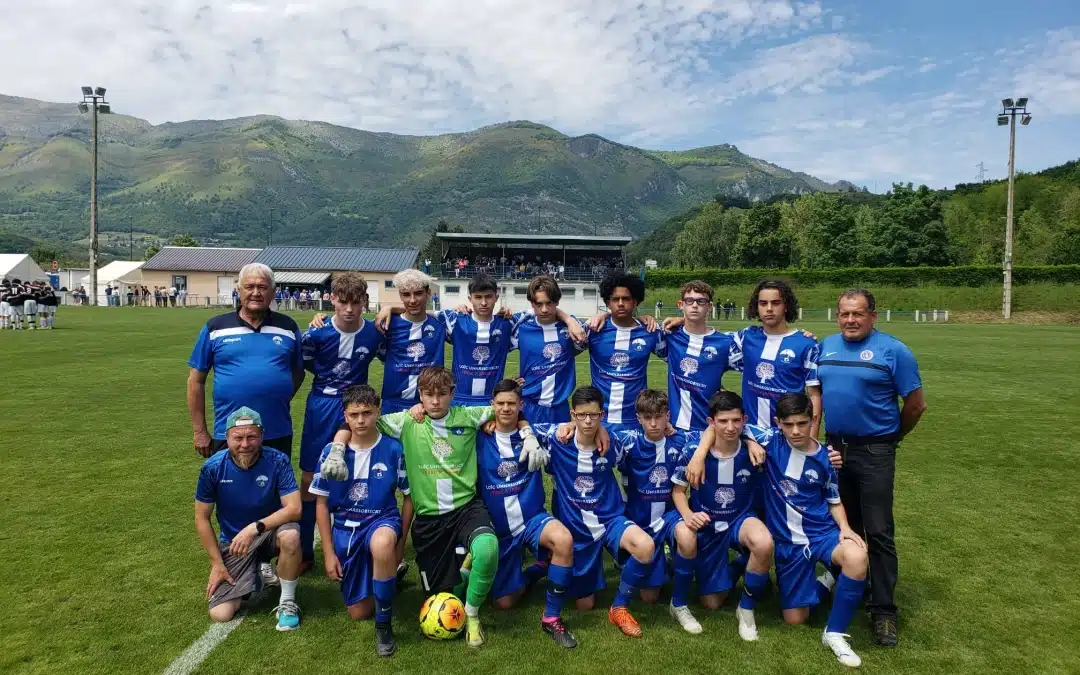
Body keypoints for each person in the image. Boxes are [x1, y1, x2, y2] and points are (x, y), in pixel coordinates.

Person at [323, 366, 547, 648]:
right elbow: (359, 419)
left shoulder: (467, 416)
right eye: (428, 395)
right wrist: (338, 448)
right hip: (429, 521)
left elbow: (507, 411)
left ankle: (473, 614)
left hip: (466, 508)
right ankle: (463, 570)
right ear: (420, 395)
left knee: (488, 548)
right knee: (441, 598)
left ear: (453, 394)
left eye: (442, 394)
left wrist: (527, 433)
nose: (436, 401)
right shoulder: (405, 421)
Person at [818, 288, 926, 647]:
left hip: (875, 451)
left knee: (878, 530)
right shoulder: (826, 346)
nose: (851, 320)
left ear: (873, 316)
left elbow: (916, 404)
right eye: (845, 314)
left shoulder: (894, 350)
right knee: (843, 525)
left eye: (858, 314)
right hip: (834, 449)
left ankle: (883, 612)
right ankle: (850, 587)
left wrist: (892, 437)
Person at [746, 393, 868, 668]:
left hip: (821, 534)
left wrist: (846, 529)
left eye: (802, 423)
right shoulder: (770, 439)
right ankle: (826, 582)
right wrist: (750, 440)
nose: (796, 431)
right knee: (795, 619)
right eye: (788, 424)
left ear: (813, 419)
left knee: (857, 557)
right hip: (788, 543)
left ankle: (834, 633)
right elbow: (733, 425)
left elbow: (833, 499)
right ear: (778, 423)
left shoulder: (826, 457)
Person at [532, 387, 656, 638]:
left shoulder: (614, 442)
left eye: (594, 415)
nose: (588, 421)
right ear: (572, 415)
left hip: (610, 520)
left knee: (645, 546)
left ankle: (619, 607)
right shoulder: (556, 438)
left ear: (603, 414)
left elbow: (650, 434)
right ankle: (541, 567)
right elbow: (517, 422)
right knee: (584, 605)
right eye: (581, 415)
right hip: (576, 528)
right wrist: (562, 425)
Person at [311, 385, 412, 657]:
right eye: (354, 414)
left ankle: (384, 626)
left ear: (378, 412)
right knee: (358, 613)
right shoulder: (331, 454)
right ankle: (390, 576)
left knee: (382, 545)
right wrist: (329, 553)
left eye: (367, 413)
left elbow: (408, 497)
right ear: (345, 415)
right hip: (346, 530)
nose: (360, 420)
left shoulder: (393, 449)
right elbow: (320, 503)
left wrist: (399, 541)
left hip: (382, 519)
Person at [476, 380, 578, 648]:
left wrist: (566, 427)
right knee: (504, 603)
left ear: (521, 405)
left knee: (564, 540)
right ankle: (537, 570)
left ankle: (552, 617)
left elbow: (573, 426)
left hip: (532, 519)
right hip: (500, 529)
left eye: (512, 403)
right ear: (492, 405)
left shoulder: (536, 432)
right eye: (501, 403)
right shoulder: (477, 436)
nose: (506, 408)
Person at [296, 272, 384, 570]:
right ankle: (305, 550)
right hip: (322, 404)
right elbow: (302, 363)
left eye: (356, 302)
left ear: (364, 303)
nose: (349, 309)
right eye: (343, 301)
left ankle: (357, 540)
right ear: (331, 299)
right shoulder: (316, 334)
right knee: (310, 478)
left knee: (355, 474)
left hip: (356, 408)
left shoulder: (374, 334)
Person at [670, 391, 773, 641]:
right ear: (711, 422)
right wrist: (688, 515)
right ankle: (741, 564)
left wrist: (831, 454)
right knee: (712, 602)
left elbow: (794, 436)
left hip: (740, 518)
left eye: (736, 421)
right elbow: (678, 491)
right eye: (723, 421)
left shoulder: (757, 440)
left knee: (764, 542)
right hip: (708, 525)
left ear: (744, 419)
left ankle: (746, 610)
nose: (730, 427)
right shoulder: (694, 448)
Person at [194, 407, 303, 630]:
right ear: (227, 437)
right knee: (220, 614)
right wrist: (217, 563)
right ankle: (256, 574)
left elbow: (294, 509)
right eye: (238, 438)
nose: (245, 444)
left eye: (251, 436)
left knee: (291, 536)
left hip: (269, 533)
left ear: (261, 436)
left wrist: (255, 528)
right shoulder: (212, 468)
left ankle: (288, 602)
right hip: (235, 544)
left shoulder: (278, 461)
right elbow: (202, 518)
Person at [187, 263, 305, 459]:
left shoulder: (288, 327)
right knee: (229, 488)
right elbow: (195, 380)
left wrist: (277, 395)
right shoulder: (216, 327)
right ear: (239, 290)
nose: (256, 293)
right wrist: (200, 431)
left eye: (263, 287)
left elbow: (298, 372)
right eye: (250, 287)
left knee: (276, 488)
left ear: (273, 292)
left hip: (276, 430)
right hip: (229, 432)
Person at [610, 390, 703, 634]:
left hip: (669, 517)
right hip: (638, 519)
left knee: (687, 534)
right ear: (638, 418)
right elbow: (593, 429)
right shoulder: (627, 441)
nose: (653, 424)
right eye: (647, 417)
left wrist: (701, 453)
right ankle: (664, 562)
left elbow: (719, 430)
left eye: (659, 417)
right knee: (649, 597)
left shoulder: (681, 440)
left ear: (667, 416)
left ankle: (679, 604)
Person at [586, 271, 664, 434]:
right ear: (608, 302)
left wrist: (682, 319)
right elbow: (563, 351)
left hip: (637, 419)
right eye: (615, 299)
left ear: (635, 301)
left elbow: (681, 348)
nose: (620, 303)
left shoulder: (650, 332)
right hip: (600, 419)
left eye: (626, 299)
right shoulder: (594, 329)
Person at [662, 281, 741, 432]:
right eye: (689, 301)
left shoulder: (725, 343)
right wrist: (606, 315)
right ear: (681, 304)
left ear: (709, 307)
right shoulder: (669, 335)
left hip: (709, 430)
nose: (695, 305)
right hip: (672, 429)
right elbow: (633, 326)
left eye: (701, 301)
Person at [511, 275, 587, 424]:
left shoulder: (572, 327)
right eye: (539, 304)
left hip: (560, 408)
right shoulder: (520, 327)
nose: (544, 309)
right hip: (529, 407)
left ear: (557, 302)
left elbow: (594, 331)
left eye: (549, 303)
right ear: (532, 304)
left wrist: (569, 319)